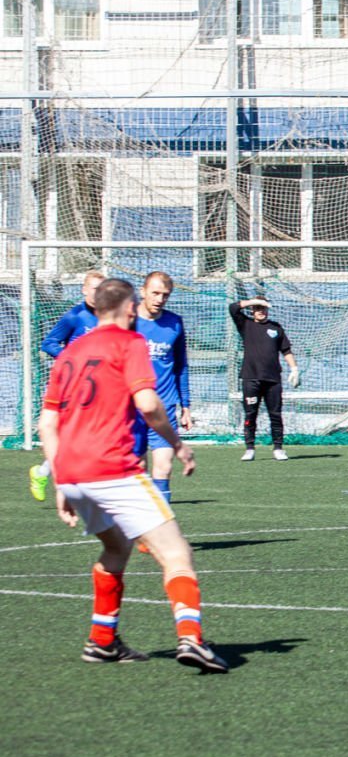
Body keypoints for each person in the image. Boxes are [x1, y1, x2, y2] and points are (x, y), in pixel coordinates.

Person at [39, 277, 227, 672]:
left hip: (72, 472)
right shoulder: (129, 343)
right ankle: (191, 638)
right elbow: (148, 404)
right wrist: (177, 444)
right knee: (176, 553)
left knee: (116, 549)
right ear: (129, 308)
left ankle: (102, 641)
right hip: (113, 468)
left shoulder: (70, 353)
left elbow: (47, 424)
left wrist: (60, 481)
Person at [29, 269, 105, 502]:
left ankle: (43, 473)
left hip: (100, 386)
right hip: (74, 386)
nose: (97, 294)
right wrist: (72, 360)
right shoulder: (75, 316)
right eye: (94, 289)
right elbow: (49, 343)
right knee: (75, 435)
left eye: (102, 290)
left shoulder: (109, 317)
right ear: (84, 290)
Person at [135, 272, 192, 502]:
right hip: (133, 408)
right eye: (155, 293)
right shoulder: (127, 321)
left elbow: (181, 366)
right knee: (138, 468)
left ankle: (161, 522)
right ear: (143, 292)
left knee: (164, 467)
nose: (160, 299)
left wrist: (186, 405)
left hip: (164, 406)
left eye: (165, 295)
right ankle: (141, 521)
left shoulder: (174, 322)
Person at [229, 296, 300, 461]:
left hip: (272, 380)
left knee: (275, 414)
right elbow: (233, 308)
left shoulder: (276, 328)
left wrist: (294, 369)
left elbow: (286, 350)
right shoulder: (246, 324)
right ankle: (250, 448)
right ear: (252, 310)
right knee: (250, 414)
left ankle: (278, 448)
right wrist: (254, 301)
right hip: (251, 378)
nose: (260, 311)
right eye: (257, 308)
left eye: (263, 308)